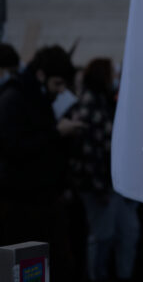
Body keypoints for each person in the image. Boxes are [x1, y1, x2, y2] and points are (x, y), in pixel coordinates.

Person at [0, 45, 85, 280]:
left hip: (44, 199)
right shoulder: (14, 98)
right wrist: (56, 133)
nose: (60, 91)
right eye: (57, 84)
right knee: (27, 269)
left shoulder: (34, 96)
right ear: (40, 75)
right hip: (23, 205)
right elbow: (13, 147)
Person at [66, 57, 139, 282]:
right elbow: (90, 152)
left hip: (112, 186)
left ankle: (120, 275)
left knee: (128, 233)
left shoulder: (105, 102)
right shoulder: (90, 105)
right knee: (103, 236)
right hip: (100, 187)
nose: (116, 79)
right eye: (113, 74)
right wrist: (100, 189)